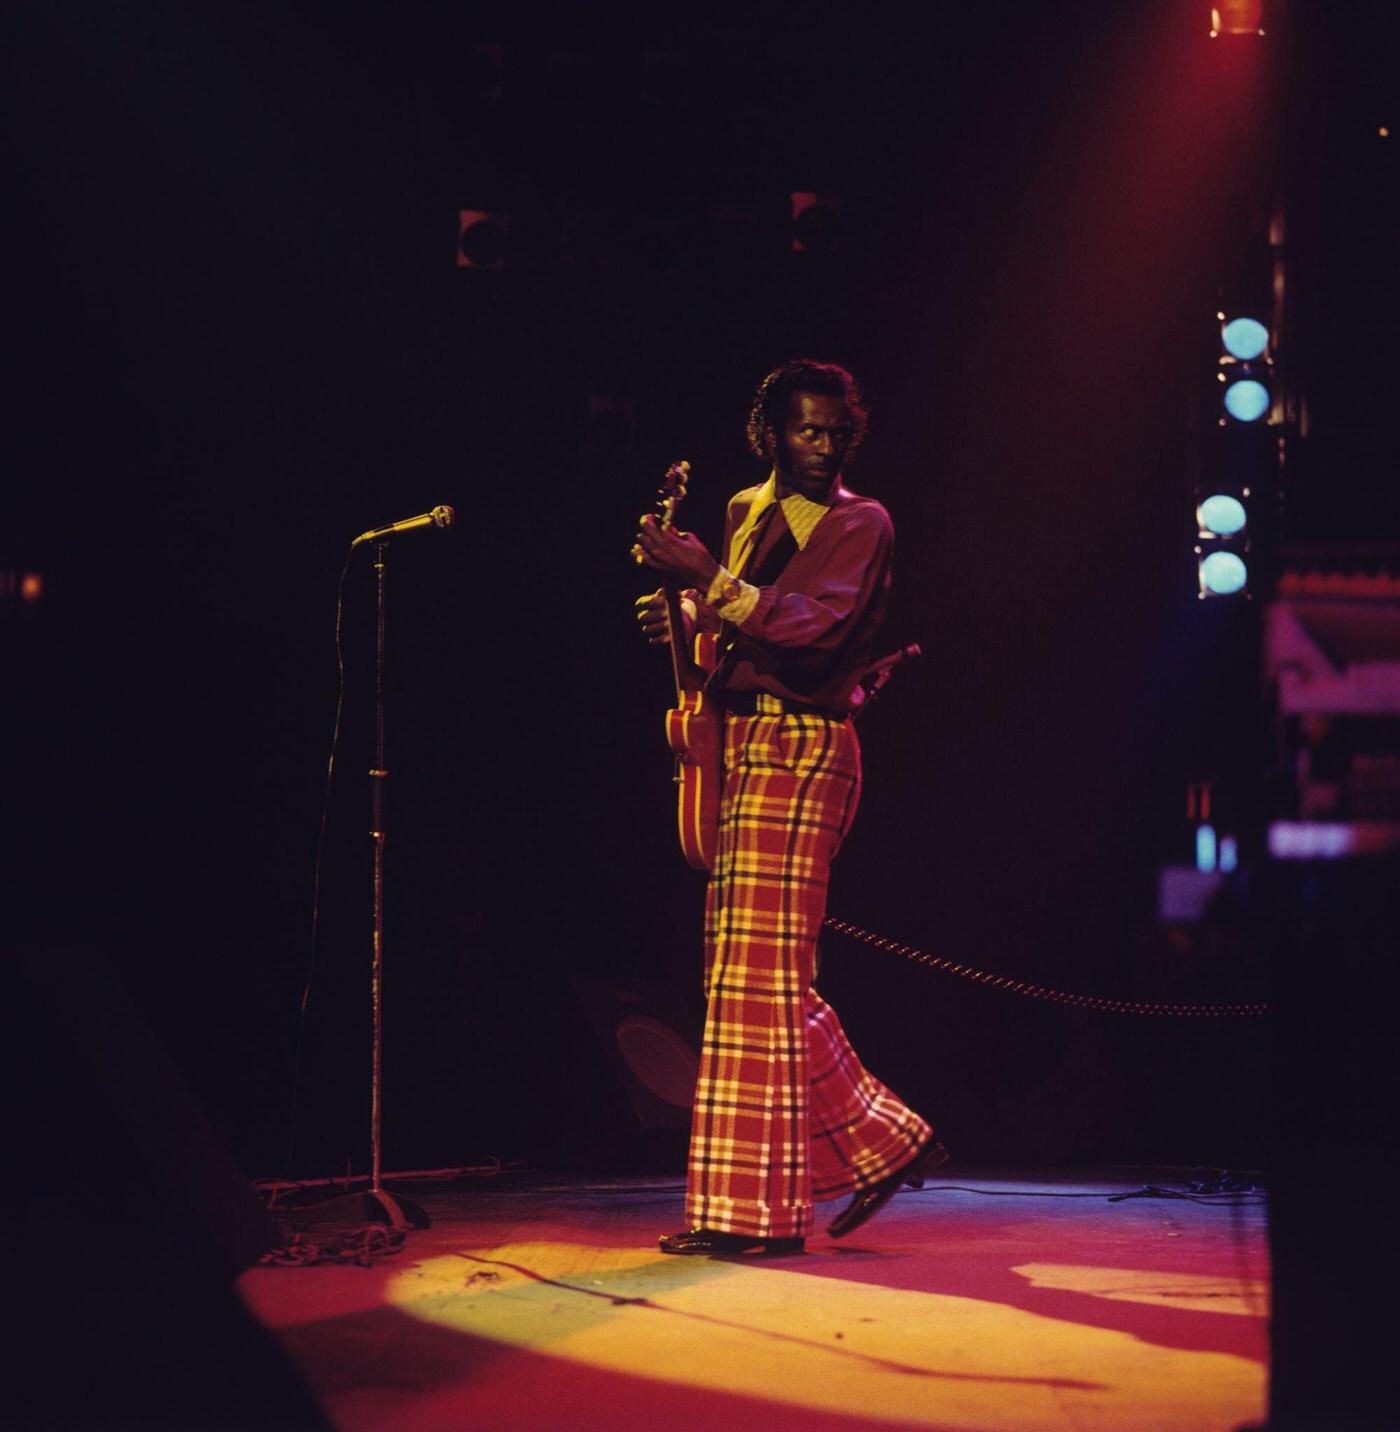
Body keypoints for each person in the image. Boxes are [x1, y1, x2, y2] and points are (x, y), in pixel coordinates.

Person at [633, 359, 943, 1256]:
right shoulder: (743, 511)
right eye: (807, 431)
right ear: (771, 434)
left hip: (806, 748)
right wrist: (686, 616)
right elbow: (738, 629)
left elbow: (816, 628)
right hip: (743, 744)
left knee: (757, 975)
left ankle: (755, 1218)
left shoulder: (862, 522)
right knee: (746, 976)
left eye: (837, 431)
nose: (823, 446)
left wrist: (712, 585)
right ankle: (880, 1143)